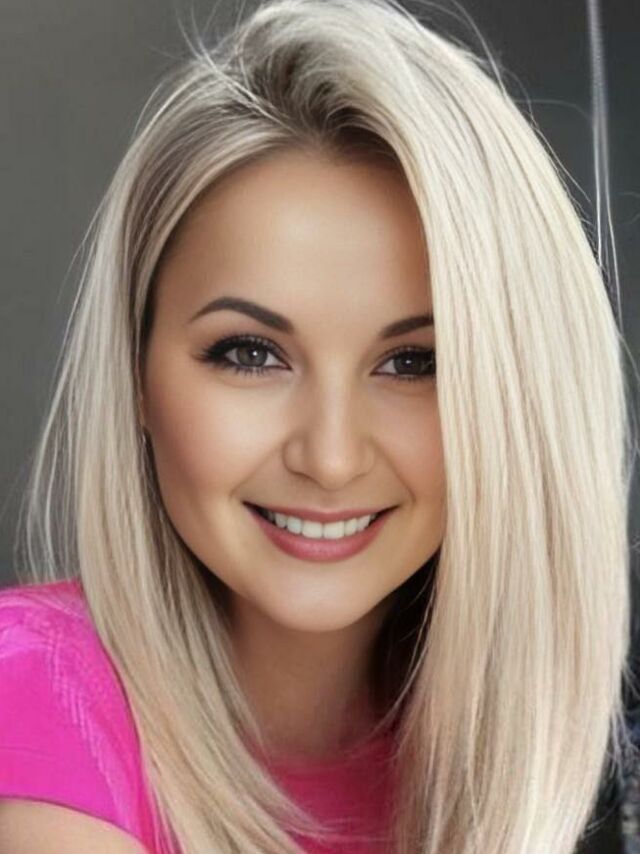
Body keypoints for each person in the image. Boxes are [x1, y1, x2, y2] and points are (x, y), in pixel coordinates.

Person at [0, 0, 637, 851]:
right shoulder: (29, 691)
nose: (330, 457)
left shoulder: (515, 756)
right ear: (135, 375)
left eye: (413, 363)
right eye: (250, 353)